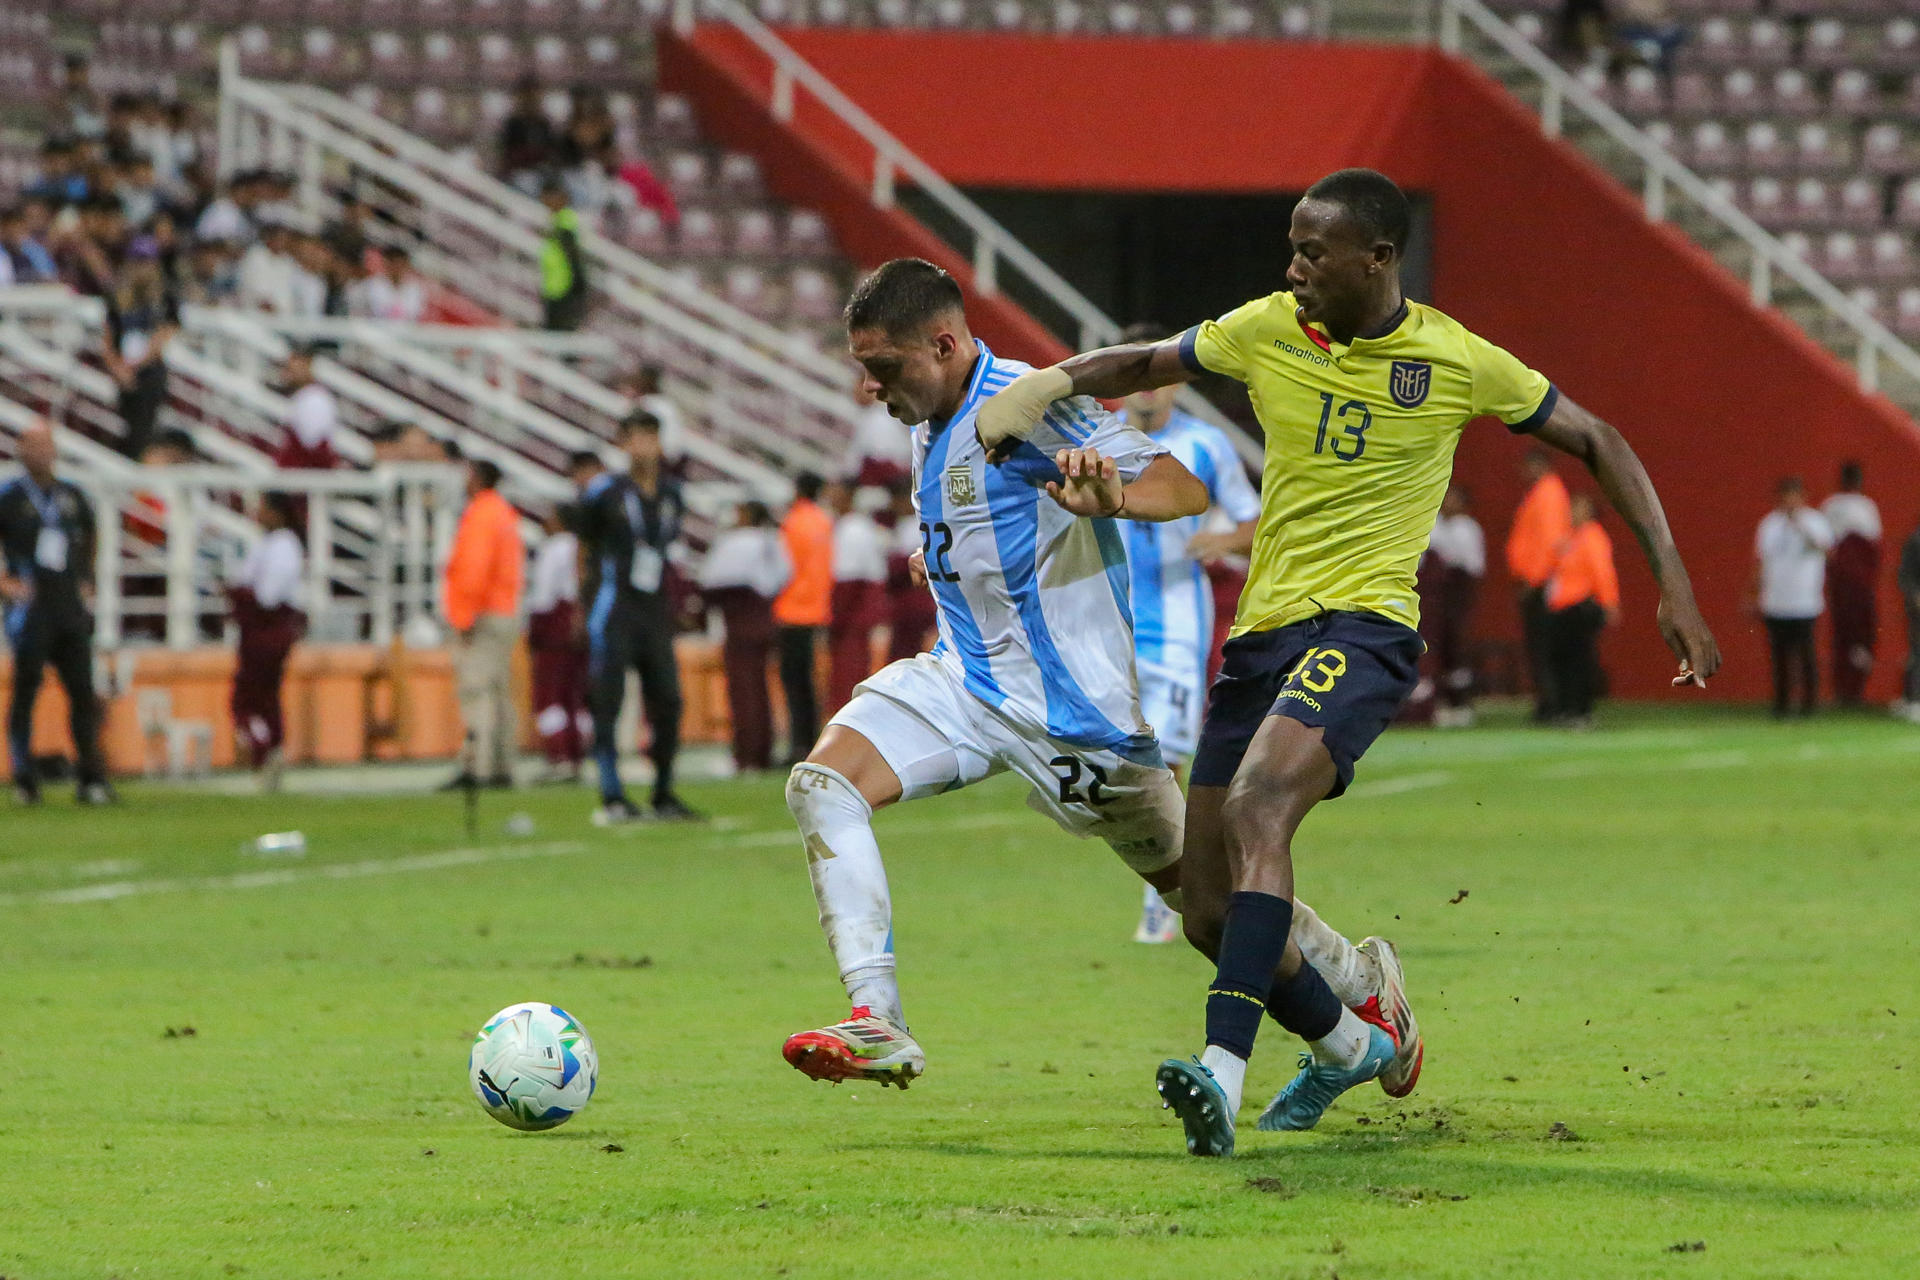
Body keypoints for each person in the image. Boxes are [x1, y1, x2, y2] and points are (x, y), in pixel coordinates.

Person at [977, 168, 1720, 1156]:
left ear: (1377, 259)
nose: (1292, 266)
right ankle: (1352, 1033)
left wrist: (1672, 579)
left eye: (1312, 251)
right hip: (1262, 637)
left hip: (1365, 627)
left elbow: (1598, 436)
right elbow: (1149, 358)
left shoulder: (1455, 359)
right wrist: (1046, 384)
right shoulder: (1267, 327)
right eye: (1291, 245)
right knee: (1203, 906)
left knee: (1257, 808)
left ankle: (1221, 1069)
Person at [778, 257, 1209, 1090]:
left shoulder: (1030, 402)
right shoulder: (927, 407)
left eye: (884, 368)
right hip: (965, 681)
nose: (872, 387)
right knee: (823, 784)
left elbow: (1179, 487)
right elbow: (987, 517)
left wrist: (1111, 498)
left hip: (1071, 713)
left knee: (1211, 910)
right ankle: (877, 1020)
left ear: (943, 344)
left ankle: (1355, 1005)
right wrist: (940, 560)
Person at [1112, 322, 1262, 946]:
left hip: (1175, 624)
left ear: (1174, 383)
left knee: (1167, 754)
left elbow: (1258, 523)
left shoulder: (1203, 446)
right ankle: (1171, 875)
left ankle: (1168, 892)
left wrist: (1223, 540)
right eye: (1135, 380)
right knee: (1117, 758)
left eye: (1157, 378)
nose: (1147, 393)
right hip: (1108, 623)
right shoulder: (1098, 438)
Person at [577, 411, 700, 823]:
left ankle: (663, 789)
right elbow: (585, 546)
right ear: (622, 444)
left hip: (654, 609)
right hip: (615, 608)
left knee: (668, 700)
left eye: (651, 437)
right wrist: (585, 602)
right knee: (607, 701)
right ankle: (612, 794)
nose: (645, 447)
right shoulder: (605, 492)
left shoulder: (671, 493)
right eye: (636, 438)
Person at [2, 420, 111, 806]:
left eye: (47, 444)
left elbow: (92, 533)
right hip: (31, 608)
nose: (43, 452)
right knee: (25, 692)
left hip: (67, 604)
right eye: (35, 444)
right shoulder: (9, 496)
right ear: (21, 450)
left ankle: (92, 776)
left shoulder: (71, 495)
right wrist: (6, 584)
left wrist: (86, 579)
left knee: (82, 690)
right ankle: (24, 777)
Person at [442, 459, 524, 790]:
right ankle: (503, 763)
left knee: (478, 692)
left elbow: (475, 569)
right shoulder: (503, 512)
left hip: (484, 613)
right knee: (500, 692)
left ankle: (480, 766)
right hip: (505, 609)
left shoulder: (481, 514)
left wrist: (463, 615)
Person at [701, 499, 791, 773]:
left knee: (742, 689)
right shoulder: (771, 539)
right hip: (765, 616)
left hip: (740, 620)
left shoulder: (735, 541)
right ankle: (763, 750)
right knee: (760, 686)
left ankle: (746, 753)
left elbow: (710, 580)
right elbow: (786, 574)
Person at [228, 492, 305, 791]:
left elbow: (267, 597)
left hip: (267, 632)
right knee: (265, 697)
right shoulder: (270, 543)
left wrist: (240, 594)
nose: (257, 514)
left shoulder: (284, 545)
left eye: (262, 508)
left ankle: (264, 751)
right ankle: (270, 750)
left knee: (249, 698)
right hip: (260, 631)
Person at [1754, 476, 1833, 718]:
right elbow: (1761, 560)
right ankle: (1782, 704)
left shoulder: (1815, 521)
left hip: (1805, 601)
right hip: (1776, 600)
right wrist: (1756, 592)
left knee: (1806, 655)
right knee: (1779, 657)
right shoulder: (1769, 524)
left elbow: (1825, 549)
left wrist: (1799, 525)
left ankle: (1810, 704)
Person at [1507, 448, 1572, 723]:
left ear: (1540, 465)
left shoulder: (1548, 494)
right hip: (1537, 580)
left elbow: (1550, 541)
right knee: (1542, 648)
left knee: (1544, 648)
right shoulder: (1543, 493)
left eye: (1529, 465)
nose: (1524, 472)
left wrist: (1535, 581)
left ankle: (1551, 705)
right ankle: (1549, 703)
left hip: (1540, 583)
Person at [1544, 492, 1619, 728]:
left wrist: (1609, 603)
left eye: (1578, 507)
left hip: (1580, 606)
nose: (1572, 512)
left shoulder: (1593, 536)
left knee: (1580, 661)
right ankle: (1567, 708)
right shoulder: (1572, 538)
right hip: (1563, 607)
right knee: (1564, 661)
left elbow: (1602, 572)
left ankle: (1581, 710)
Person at [775, 472, 833, 767]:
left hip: (791, 610)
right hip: (817, 610)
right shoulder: (823, 522)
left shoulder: (793, 522)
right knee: (809, 685)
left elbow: (781, 566)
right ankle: (812, 742)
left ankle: (799, 745)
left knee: (794, 685)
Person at [525, 506, 587, 784]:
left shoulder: (554, 549)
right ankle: (576, 755)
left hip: (555, 626)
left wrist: (535, 630)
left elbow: (543, 595)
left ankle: (559, 755)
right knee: (576, 696)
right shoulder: (583, 547)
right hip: (581, 625)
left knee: (550, 696)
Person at [1422, 484, 1486, 728]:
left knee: (1456, 648)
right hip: (1430, 597)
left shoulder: (1468, 529)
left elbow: (1473, 567)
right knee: (1431, 647)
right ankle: (1433, 703)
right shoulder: (1431, 523)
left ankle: (1459, 703)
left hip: (1456, 596)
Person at [825, 482, 890, 715]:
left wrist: (835, 614)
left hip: (854, 609)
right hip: (859, 604)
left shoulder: (852, 529)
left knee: (848, 670)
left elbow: (849, 578)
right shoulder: (856, 526)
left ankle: (850, 719)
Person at [1821, 461, 1881, 709]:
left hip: (1848, 587)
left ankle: (1851, 690)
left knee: (1849, 638)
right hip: (1856, 587)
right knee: (1854, 638)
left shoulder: (1832, 506)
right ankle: (1849, 690)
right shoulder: (1865, 507)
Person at [843, 370, 914, 487]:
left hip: (888, 482)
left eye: (860, 386)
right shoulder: (870, 415)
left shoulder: (883, 418)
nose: (855, 391)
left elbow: (884, 461)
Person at [276, 346, 339, 471]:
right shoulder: (304, 396)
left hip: (306, 472)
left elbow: (313, 444)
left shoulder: (314, 398)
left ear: (308, 365)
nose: (289, 372)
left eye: (295, 366)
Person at [538, 177, 588, 332]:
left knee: (561, 332)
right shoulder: (556, 220)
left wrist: (578, 283)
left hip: (564, 286)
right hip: (553, 285)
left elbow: (572, 253)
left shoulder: (565, 221)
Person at [499, 75, 558, 195]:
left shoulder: (544, 124)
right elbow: (508, 155)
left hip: (542, 173)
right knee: (524, 183)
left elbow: (551, 153)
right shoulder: (513, 124)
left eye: (535, 95)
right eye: (527, 95)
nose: (531, 99)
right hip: (520, 174)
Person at [356, 245, 426, 322]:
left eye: (400, 263)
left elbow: (414, 314)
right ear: (385, 263)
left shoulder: (414, 288)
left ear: (406, 264)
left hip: (405, 330)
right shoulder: (371, 285)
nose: (397, 267)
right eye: (393, 262)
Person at [1899, 520, 1920, 723]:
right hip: (1918, 609)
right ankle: (1914, 700)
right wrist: (1915, 597)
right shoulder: (1915, 541)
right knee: (1917, 651)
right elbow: (1906, 576)